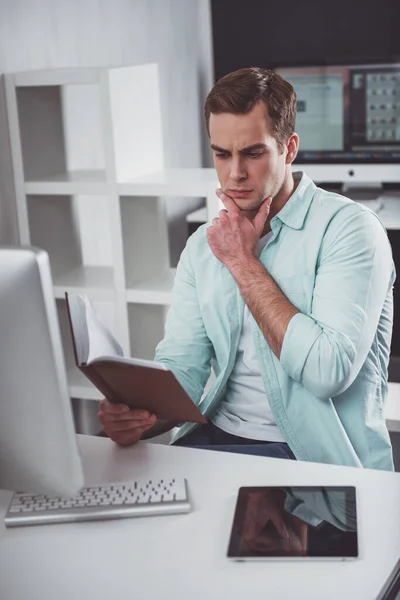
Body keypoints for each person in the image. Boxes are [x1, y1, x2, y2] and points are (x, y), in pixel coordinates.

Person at [99, 67, 395, 470]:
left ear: (289, 149)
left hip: (312, 458)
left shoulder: (350, 229)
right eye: (222, 154)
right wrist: (140, 418)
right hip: (216, 439)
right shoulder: (203, 246)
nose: (234, 173)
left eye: (253, 153)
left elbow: (328, 371)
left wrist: (242, 261)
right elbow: (183, 369)